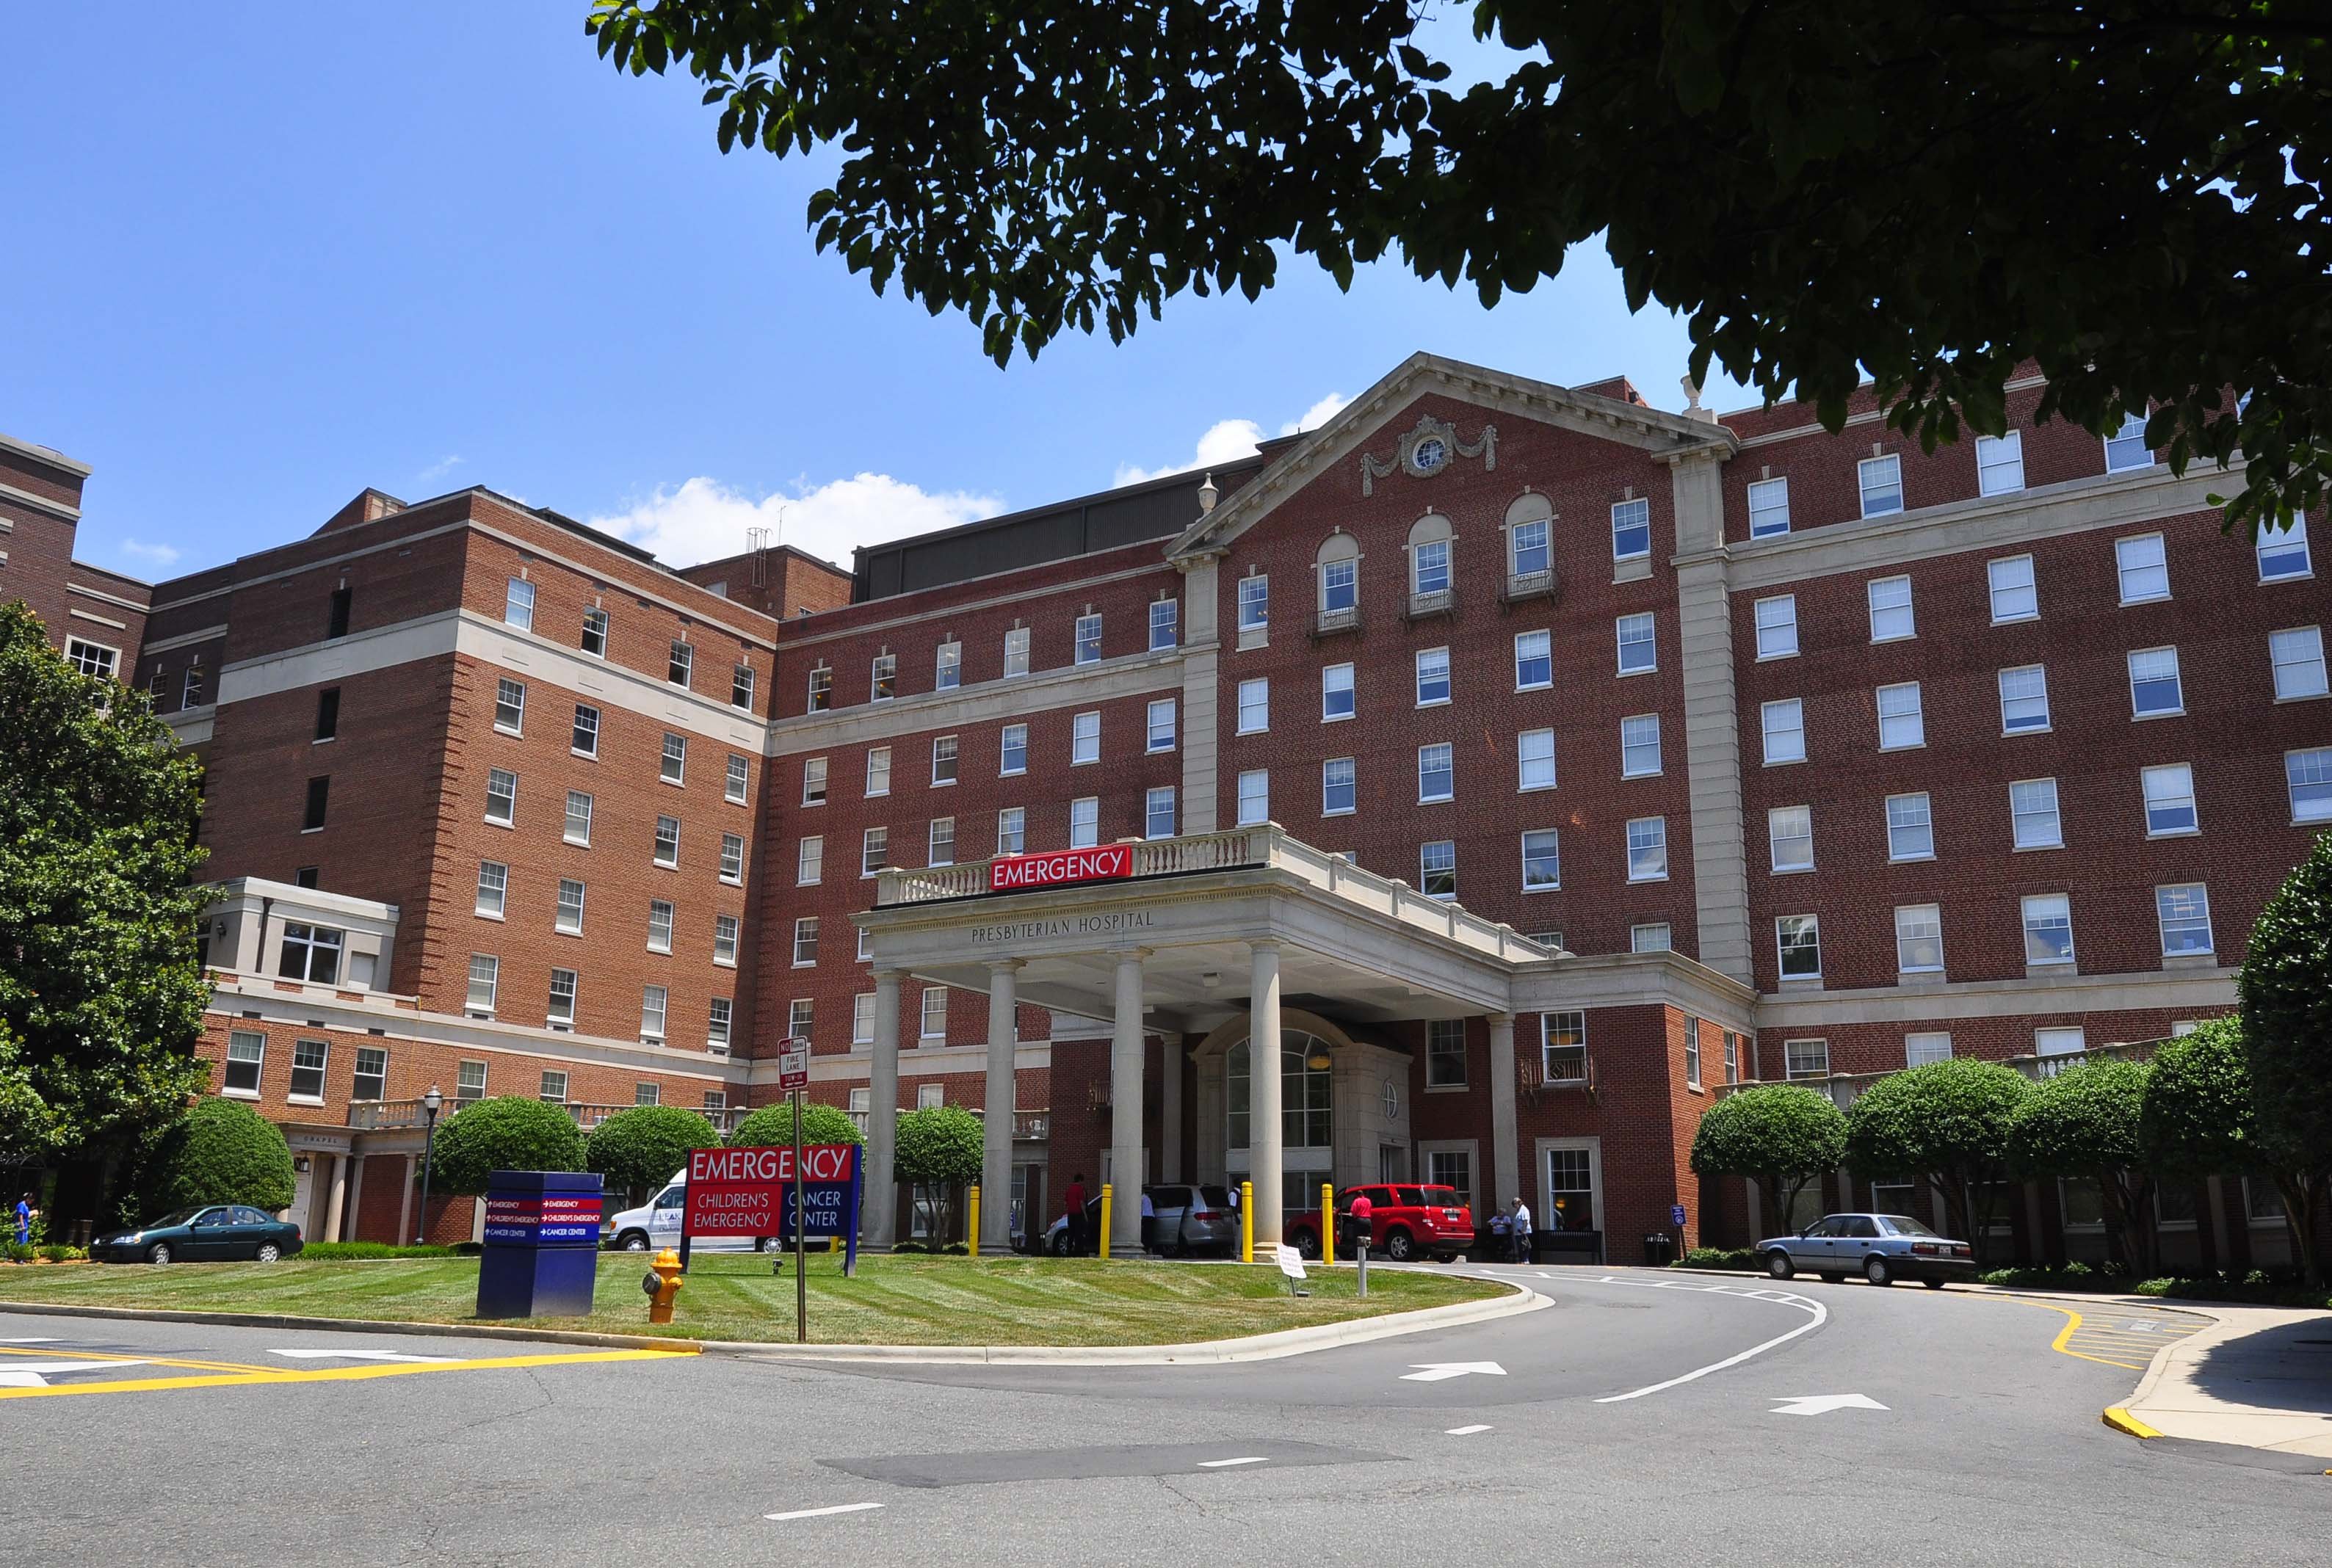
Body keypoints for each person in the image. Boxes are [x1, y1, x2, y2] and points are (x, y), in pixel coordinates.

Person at [1062, 1173, 1089, 1257]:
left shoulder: (1069, 1189)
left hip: (1070, 1214)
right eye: (1082, 1181)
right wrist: (1085, 1215)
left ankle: (1069, 1251)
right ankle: (1078, 1252)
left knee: (1071, 1233)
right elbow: (1081, 1203)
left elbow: (1065, 1203)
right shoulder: (1080, 1189)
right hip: (1078, 1214)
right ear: (1080, 1180)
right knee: (1078, 1234)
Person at [1512, 1197, 1534, 1264]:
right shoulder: (1518, 1211)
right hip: (1518, 1232)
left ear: (1519, 1203)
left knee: (1525, 1246)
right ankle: (1522, 1260)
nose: (1514, 1206)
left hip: (1523, 1232)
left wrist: (1523, 1230)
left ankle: (1526, 1259)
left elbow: (1525, 1220)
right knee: (1520, 1246)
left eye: (1515, 1204)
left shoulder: (1524, 1210)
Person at [1139, 1188, 1155, 1254]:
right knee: (1150, 1234)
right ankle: (1150, 1250)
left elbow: (1141, 1209)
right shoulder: (1147, 1198)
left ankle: (1146, 1249)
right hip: (1151, 1216)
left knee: (1144, 1234)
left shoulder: (1141, 1198)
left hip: (1145, 1217)